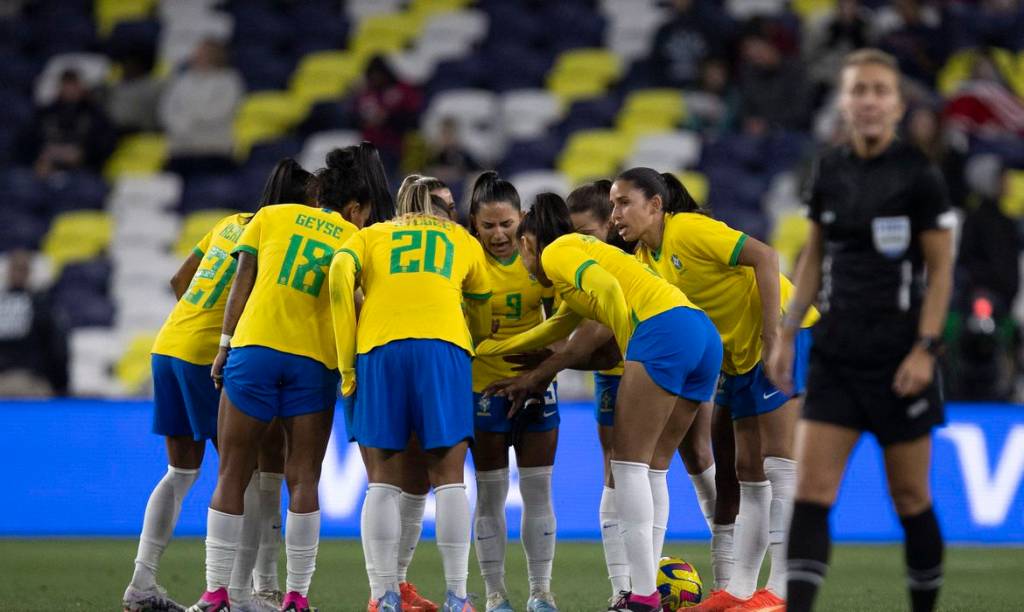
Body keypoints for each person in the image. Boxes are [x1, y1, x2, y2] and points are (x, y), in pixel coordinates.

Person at [767, 49, 955, 612]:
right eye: (859, 90)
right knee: (812, 493)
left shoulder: (919, 175)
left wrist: (925, 349)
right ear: (845, 102)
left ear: (896, 105)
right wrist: (786, 332)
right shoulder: (829, 168)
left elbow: (942, 269)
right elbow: (812, 255)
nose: (869, 101)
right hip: (837, 353)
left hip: (899, 355)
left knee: (910, 496)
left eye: (879, 90)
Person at [475, 194, 722, 612]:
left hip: (659, 333)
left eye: (519, 243)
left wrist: (631, 343)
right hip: (699, 333)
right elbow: (554, 330)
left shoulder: (559, 252)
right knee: (654, 466)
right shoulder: (577, 270)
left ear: (529, 242)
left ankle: (641, 596)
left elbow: (607, 289)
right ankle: (649, 589)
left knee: (625, 467)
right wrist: (484, 350)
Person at [188, 143, 390, 612]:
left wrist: (224, 345)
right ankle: (296, 597)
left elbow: (243, 280)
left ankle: (216, 591)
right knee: (303, 480)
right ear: (354, 206)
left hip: (255, 349)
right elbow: (358, 302)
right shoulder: (353, 236)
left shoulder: (271, 216)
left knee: (232, 474)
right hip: (312, 363)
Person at [608, 168, 816, 612]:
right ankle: (741, 589)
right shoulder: (645, 259)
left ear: (656, 205)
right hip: (740, 357)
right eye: (612, 205)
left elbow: (764, 256)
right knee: (747, 472)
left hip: (778, 338)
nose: (615, 214)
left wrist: (772, 335)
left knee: (780, 464)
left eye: (624, 202)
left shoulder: (688, 230)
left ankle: (781, 590)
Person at [123, 159, 312, 612]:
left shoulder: (230, 224)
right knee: (240, 474)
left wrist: (197, 324)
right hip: (208, 356)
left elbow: (179, 279)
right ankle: (242, 596)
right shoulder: (280, 237)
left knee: (181, 472)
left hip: (168, 344)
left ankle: (141, 584)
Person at [329, 179, 492, 612]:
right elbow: (483, 308)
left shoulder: (370, 235)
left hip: (379, 349)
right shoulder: (461, 239)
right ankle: (458, 596)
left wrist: (348, 360)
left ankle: (383, 596)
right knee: (449, 479)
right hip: (444, 347)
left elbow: (338, 274)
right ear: (440, 209)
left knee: (382, 481)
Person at [463, 172, 559, 612]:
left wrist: (547, 359)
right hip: (485, 387)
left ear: (522, 219)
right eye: (489, 226)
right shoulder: (466, 263)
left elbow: (569, 323)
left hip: (538, 386)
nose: (499, 235)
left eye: (507, 224)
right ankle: (496, 594)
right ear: (473, 225)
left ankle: (541, 592)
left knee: (539, 492)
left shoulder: (543, 259)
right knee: (490, 494)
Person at [160, 39, 244, 176]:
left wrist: (191, 119)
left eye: (202, 52)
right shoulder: (182, 81)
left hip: (214, 151)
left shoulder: (229, 80)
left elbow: (222, 110)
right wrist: (180, 124)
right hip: (180, 151)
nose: (197, 55)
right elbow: (168, 108)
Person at [17, 68, 116, 177]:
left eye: (74, 85)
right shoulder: (44, 113)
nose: (70, 89)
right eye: (66, 84)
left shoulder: (96, 114)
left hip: (84, 170)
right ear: (59, 87)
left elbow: (106, 144)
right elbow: (26, 141)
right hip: (45, 168)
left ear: (82, 87)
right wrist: (40, 156)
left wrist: (83, 154)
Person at [0, 250, 68, 397]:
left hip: (26, 381)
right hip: (30, 384)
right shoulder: (40, 304)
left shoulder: (41, 304)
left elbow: (57, 348)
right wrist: (61, 387)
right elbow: (57, 350)